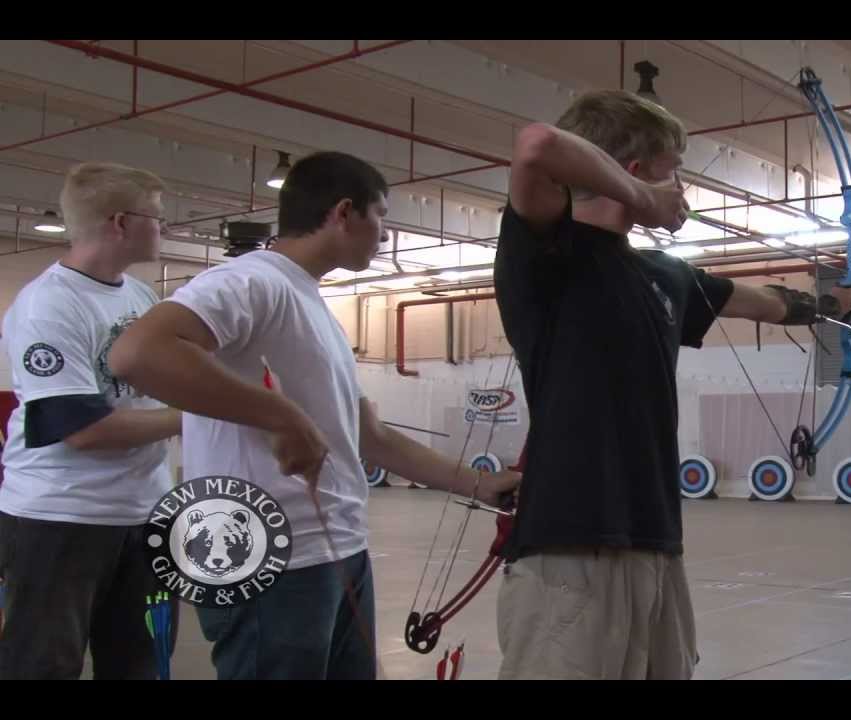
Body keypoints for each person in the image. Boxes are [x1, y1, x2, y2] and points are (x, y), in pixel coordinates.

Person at [493, 90, 851, 680]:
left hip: (655, 541)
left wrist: (827, 306)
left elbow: (762, 302)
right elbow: (537, 145)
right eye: (674, 172)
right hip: (571, 543)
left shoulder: (662, 275)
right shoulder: (548, 251)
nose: (682, 191)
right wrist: (645, 199)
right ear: (636, 171)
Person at [108, 151, 521, 680]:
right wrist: (283, 416)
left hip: (335, 548)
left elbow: (369, 437)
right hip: (267, 556)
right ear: (344, 212)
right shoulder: (253, 281)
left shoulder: (310, 303)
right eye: (382, 218)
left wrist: (478, 484)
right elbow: (139, 352)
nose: (387, 236)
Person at [0, 162, 182, 680]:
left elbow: (160, 382)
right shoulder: (49, 305)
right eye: (157, 217)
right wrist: (194, 418)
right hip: (60, 518)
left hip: (140, 513)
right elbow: (83, 429)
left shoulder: (138, 296)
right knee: (43, 665)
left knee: (138, 663)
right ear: (120, 222)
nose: (163, 228)